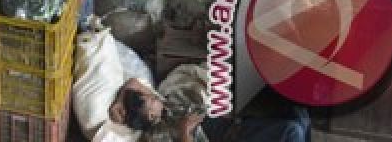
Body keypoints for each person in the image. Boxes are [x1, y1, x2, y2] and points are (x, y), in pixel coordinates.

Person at [110, 64, 310, 142]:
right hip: (231, 137)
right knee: (293, 130)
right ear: (150, 117)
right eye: (152, 101)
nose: (154, 97)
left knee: (300, 114)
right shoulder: (156, 135)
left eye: (151, 96)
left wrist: (119, 102)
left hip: (237, 122)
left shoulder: (162, 103)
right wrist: (184, 132)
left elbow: (133, 83)